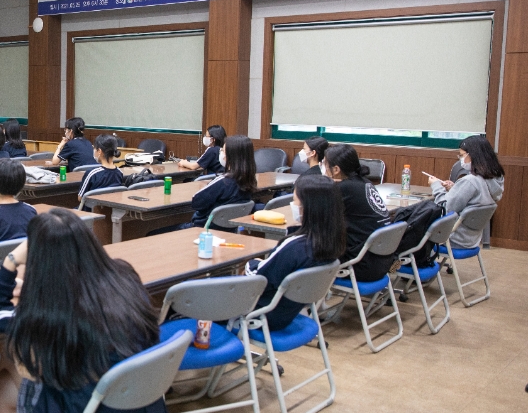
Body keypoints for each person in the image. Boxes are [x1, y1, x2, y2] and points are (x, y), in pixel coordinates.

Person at [0, 209, 173, 413]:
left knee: (4, 378)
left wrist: (11, 261)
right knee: (15, 380)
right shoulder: (124, 277)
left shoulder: (48, 315)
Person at [245, 175, 345, 330]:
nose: (293, 205)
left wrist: (250, 263)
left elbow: (259, 279)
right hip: (289, 311)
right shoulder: (331, 241)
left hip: (262, 315)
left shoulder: (296, 247)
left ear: (308, 208)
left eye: (295, 201)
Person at [149, 135, 256, 234]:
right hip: (228, 231)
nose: (221, 154)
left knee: (152, 234)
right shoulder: (250, 180)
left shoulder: (223, 181)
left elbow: (197, 202)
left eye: (223, 151)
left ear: (231, 156)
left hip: (202, 230)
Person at [323, 144, 392, 282]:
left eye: (325, 164)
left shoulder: (344, 188)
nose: (323, 169)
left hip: (361, 265)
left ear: (336, 169)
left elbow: (319, 216)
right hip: (382, 261)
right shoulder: (365, 182)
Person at [426, 135, 504, 249]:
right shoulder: (495, 178)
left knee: (412, 228)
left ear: (473, 155)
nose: (460, 159)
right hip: (472, 239)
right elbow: (477, 198)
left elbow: (444, 208)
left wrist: (436, 186)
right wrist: (455, 188)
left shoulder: (470, 181)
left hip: (452, 238)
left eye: (462, 155)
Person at [78, 134, 124, 208]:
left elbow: (80, 198)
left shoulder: (92, 174)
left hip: (90, 211)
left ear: (99, 151)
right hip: (109, 212)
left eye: (94, 148)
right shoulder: (119, 173)